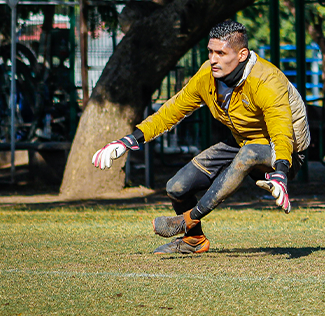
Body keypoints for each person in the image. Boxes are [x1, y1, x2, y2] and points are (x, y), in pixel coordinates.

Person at [91, 20, 310, 254]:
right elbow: (171, 111)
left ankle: (187, 220)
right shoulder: (207, 74)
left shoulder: (266, 80)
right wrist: (129, 140)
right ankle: (194, 239)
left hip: (285, 154)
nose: (213, 59)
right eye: (210, 51)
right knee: (176, 187)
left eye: (221, 53)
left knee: (250, 153)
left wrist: (281, 173)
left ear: (242, 54)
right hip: (242, 142)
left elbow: (281, 131)